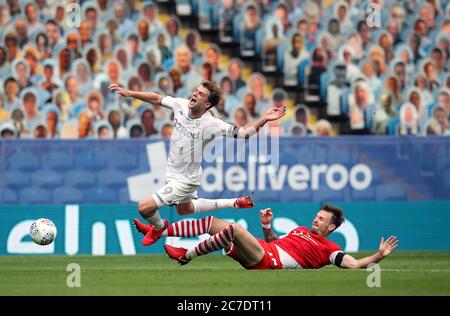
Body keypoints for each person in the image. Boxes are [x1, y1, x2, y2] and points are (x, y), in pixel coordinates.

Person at [108, 80, 286, 246]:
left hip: (185, 181)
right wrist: (129, 92)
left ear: (207, 104)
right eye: (196, 91)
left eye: (200, 94)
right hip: (177, 173)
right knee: (184, 210)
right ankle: (235, 202)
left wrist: (264, 119)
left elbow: (243, 133)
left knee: (145, 208)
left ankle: (159, 227)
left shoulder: (211, 124)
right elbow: (157, 98)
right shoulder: (180, 105)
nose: (194, 94)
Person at [159, 205, 398, 270]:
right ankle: (161, 229)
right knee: (214, 224)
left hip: (267, 262)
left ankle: (187, 254)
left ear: (331, 227)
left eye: (322, 219)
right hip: (264, 249)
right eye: (317, 216)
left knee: (233, 230)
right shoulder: (300, 231)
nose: (316, 220)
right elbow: (275, 240)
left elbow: (354, 264)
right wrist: (266, 227)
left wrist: (379, 255)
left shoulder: (329, 249)